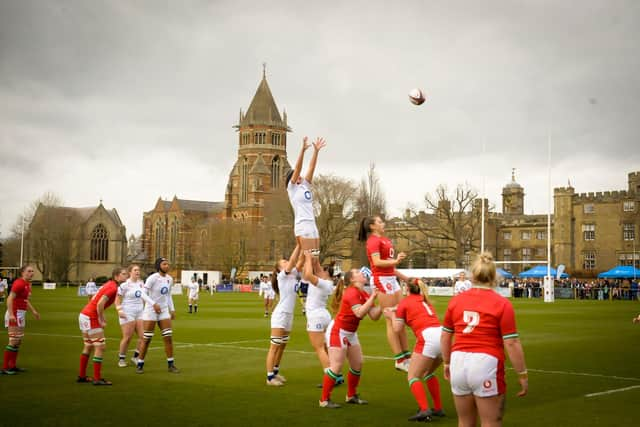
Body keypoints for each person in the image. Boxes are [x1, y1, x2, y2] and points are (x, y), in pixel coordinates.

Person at [441, 252, 528, 427]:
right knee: (491, 421)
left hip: (458, 361)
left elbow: (445, 335)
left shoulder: (456, 301)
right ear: (494, 276)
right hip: (486, 362)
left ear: (472, 275)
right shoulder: (502, 303)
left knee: (465, 422)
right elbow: (511, 342)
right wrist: (522, 374)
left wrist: (446, 363)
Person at [319, 268, 382, 408]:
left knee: (357, 363)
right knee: (336, 366)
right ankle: (324, 400)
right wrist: (373, 297)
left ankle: (351, 395)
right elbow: (359, 313)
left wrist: (383, 304)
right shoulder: (352, 292)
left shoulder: (363, 293)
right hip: (338, 331)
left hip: (350, 333)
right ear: (352, 279)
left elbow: (374, 316)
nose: (362, 273)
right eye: (358, 272)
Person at [357, 215, 411, 372]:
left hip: (391, 279)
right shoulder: (373, 241)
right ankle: (399, 359)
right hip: (381, 280)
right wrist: (396, 261)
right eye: (380, 222)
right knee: (390, 318)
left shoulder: (385, 240)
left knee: (400, 315)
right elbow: (378, 263)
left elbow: (390, 267)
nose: (383, 223)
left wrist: (407, 279)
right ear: (373, 226)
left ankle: (406, 356)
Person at [391, 278, 445, 422]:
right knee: (428, 372)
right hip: (442, 336)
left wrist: (392, 315)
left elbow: (397, 329)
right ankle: (438, 408)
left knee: (413, 376)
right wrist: (398, 310)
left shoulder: (404, 302)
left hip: (428, 337)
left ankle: (424, 409)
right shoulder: (424, 299)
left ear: (406, 289)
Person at [77, 267, 127, 385]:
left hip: (84, 314)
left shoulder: (109, 284)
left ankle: (82, 376)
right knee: (100, 347)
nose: (126, 276)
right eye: (124, 274)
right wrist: (101, 319)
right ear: (116, 276)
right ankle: (97, 378)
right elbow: (100, 304)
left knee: (88, 345)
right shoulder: (113, 287)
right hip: (91, 316)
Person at [286, 136, 326, 273]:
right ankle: (300, 280)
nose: (300, 176)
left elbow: (311, 167)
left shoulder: (305, 186)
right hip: (302, 226)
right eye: (296, 175)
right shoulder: (292, 189)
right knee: (309, 259)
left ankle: (322, 288)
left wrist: (316, 151)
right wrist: (302, 151)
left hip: (312, 225)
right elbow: (298, 167)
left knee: (315, 260)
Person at [265, 245, 302, 386]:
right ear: (279, 269)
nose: (287, 262)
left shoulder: (293, 274)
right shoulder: (282, 276)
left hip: (289, 315)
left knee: (282, 346)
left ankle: (275, 372)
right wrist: (299, 244)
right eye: (284, 262)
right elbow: (294, 260)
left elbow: (301, 261)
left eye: (286, 261)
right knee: (274, 346)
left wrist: (307, 248)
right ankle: (269, 378)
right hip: (280, 315)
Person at [135, 257, 179, 374]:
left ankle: (171, 364)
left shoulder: (169, 279)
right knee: (147, 339)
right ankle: (140, 364)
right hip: (150, 311)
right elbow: (142, 294)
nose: (167, 266)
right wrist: (153, 304)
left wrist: (172, 309)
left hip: (164, 310)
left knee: (168, 337)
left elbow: (168, 295)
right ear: (159, 266)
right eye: (164, 264)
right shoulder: (152, 278)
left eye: (167, 264)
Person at [2, 265, 40, 375]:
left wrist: (33, 311)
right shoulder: (19, 283)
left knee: (18, 342)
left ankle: (12, 366)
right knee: (13, 340)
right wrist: (11, 314)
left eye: (32, 271)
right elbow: (9, 298)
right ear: (22, 272)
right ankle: (5, 368)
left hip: (20, 314)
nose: (31, 273)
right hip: (15, 314)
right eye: (29, 271)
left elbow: (25, 300)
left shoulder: (27, 284)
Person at [302, 250, 334, 374]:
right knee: (325, 348)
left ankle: (331, 376)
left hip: (316, 316)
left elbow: (308, 275)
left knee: (319, 348)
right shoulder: (327, 282)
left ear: (326, 273)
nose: (319, 270)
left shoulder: (324, 283)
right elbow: (316, 267)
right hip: (324, 316)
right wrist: (313, 255)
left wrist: (308, 258)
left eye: (322, 270)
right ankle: (336, 373)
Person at [115, 264, 151, 367]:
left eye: (138, 270)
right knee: (127, 337)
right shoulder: (124, 285)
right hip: (128, 313)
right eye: (135, 270)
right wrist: (119, 310)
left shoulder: (141, 283)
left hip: (139, 313)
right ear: (130, 272)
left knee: (143, 337)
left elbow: (144, 297)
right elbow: (117, 299)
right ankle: (121, 359)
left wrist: (146, 310)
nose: (137, 272)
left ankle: (135, 357)